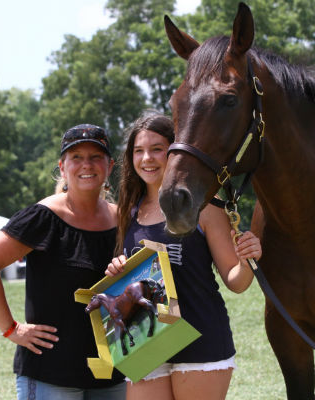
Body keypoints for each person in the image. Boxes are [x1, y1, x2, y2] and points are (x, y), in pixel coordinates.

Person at [105, 110, 262, 400]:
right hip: (147, 344)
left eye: (156, 149)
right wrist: (118, 270)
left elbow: (236, 282)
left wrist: (247, 259)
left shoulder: (206, 208)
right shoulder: (129, 212)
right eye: (138, 151)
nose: (146, 159)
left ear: (175, 152)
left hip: (201, 341)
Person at [0, 124, 126, 400]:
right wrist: (11, 328)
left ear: (110, 165)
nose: (86, 165)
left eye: (95, 157)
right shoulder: (42, 218)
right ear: (62, 166)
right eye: (76, 157)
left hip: (114, 373)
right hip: (51, 373)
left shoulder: (124, 219)